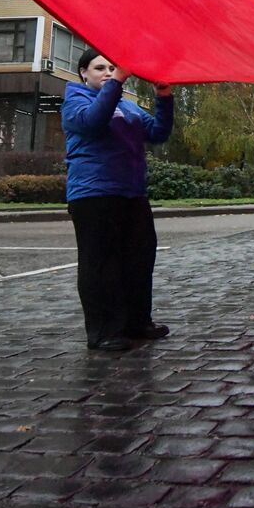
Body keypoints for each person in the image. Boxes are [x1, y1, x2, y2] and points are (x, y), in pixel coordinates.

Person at [63, 50, 175, 348]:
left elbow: (159, 132)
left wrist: (163, 96)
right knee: (100, 263)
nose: (108, 73)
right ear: (83, 73)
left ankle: (137, 322)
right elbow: (92, 122)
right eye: (100, 68)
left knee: (139, 258)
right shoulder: (76, 99)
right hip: (93, 194)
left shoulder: (128, 107)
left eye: (112, 67)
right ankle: (104, 332)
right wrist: (119, 81)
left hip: (131, 193)